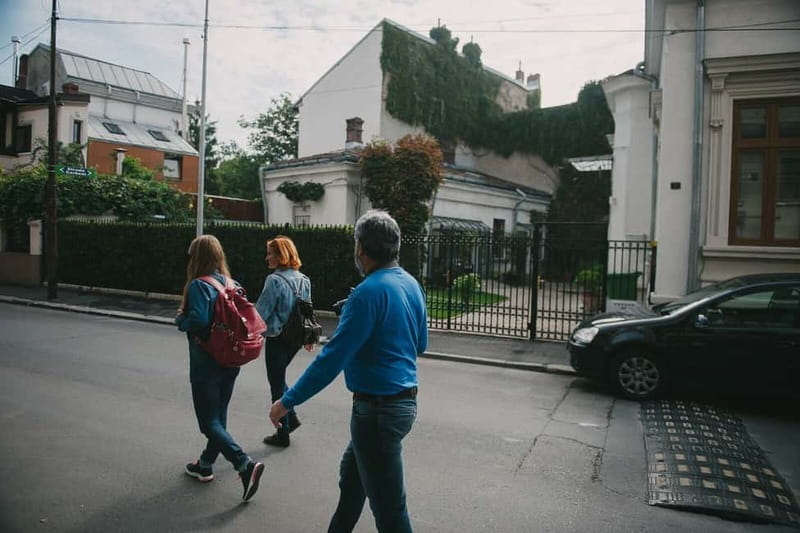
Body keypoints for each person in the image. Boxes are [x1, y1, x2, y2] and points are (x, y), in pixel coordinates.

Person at [269, 210, 427, 533]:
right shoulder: (410, 284)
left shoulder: (367, 293)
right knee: (351, 484)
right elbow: (419, 343)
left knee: (391, 514)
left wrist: (286, 400)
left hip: (377, 412)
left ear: (360, 249)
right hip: (400, 404)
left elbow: (332, 360)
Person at [176, 234, 265, 502]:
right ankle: (205, 465)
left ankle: (244, 464)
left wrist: (181, 320)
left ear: (197, 257)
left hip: (207, 363)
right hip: (231, 359)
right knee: (219, 416)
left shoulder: (198, 286)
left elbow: (200, 321)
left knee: (208, 422)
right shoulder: (231, 283)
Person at [255, 235, 313, 448]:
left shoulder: (274, 280)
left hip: (277, 338)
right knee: (279, 379)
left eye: (270, 253)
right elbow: (307, 310)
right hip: (295, 338)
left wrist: (249, 333)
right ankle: (292, 416)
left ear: (281, 256)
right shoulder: (304, 279)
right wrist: (309, 337)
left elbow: (261, 313)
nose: (266, 257)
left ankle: (283, 434)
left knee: (276, 384)